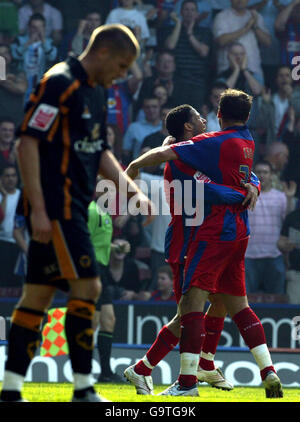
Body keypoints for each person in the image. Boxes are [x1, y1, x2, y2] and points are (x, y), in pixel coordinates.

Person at [0, 23, 154, 403]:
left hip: (67, 207)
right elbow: (28, 144)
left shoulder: (98, 93)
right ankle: (84, 387)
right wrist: (37, 208)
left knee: (36, 296)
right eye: (121, 65)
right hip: (59, 208)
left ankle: (12, 390)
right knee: (90, 287)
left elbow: (98, 149)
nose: (123, 74)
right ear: (102, 52)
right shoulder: (59, 82)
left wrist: (132, 190)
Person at [124, 90, 283, 398]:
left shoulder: (206, 147)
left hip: (213, 234)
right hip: (188, 239)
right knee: (191, 309)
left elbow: (239, 167)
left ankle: (189, 365)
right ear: (187, 127)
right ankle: (173, 372)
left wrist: (254, 182)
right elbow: (217, 192)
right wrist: (246, 192)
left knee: (216, 303)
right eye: (198, 116)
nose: (204, 118)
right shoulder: (184, 159)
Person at [87, 191, 124, 384]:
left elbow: (99, 242)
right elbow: (84, 240)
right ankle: (83, 371)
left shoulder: (106, 213)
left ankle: (106, 373)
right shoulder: (91, 211)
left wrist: (116, 247)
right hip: (92, 270)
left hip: (103, 271)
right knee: (92, 322)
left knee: (108, 320)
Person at [158, 0, 213, 109]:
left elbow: (203, 52)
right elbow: (170, 46)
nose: (189, 12)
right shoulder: (172, 30)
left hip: (197, 82)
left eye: (193, 10)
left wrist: (190, 33)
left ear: (197, 13)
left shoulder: (205, 32)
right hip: (177, 81)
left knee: (194, 118)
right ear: (181, 12)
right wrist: (178, 24)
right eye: (186, 9)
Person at [245, 161, 287, 294]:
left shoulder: (281, 197)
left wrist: (290, 199)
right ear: (253, 175)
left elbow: (287, 225)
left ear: (271, 175)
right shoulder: (246, 195)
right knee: (245, 300)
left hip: (274, 254)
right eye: (259, 172)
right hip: (248, 254)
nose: (262, 175)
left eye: (266, 172)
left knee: (277, 301)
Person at [213, 0, 271, 80]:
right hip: (228, 71)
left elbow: (267, 42)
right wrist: (246, 28)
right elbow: (221, 41)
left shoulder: (255, 16)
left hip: (253, 69)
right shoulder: (222, 16)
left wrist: (255, 26)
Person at [11, 13, 58, 104]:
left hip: (40, 81)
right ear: (29, 27)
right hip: (22, 81)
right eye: (34, 27)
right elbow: (14, 56)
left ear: (44, 28)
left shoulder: (49, 42)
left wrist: (44, 41)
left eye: (40, 28)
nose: (36, 31)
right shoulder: (19, 40)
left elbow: (52, 57)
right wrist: (28, 43)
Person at [122, 96, 162, 163]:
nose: (151, 110)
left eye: (154, 107)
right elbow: (125, 153)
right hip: (140, 170)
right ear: (143, 109)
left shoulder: (166, 127)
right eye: (147, 107)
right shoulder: (133, 128)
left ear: (160, 108)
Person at [0, 165, 21, 287]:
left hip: (18, 243)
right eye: (7, 176)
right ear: (1, 178)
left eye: (13, 175)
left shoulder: (22, 195)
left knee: (16, 283)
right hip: (2, 242)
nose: (10, 179)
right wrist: (4, 196)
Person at [277, 201, 300, 304]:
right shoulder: (292, 217)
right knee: (294, 311)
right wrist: (284, 245)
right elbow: (281, 242)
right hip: (296, 273)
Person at [0, 44, 27, 127]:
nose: (4, 56)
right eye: (0, 54)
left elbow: (21, 89)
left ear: (11, 55)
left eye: (6, 53)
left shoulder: (18, 72)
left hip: (15, 121)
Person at [275, 0, 300, 67]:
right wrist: (293, 3)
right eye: (296, 9)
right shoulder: (287, 25)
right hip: (287, 68)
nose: (298, 12)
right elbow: (278, 26)